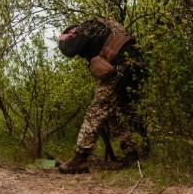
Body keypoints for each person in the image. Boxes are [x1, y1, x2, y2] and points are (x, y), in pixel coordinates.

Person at [57, 17, 146, 174]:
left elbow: (69, 50)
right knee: (115, 117)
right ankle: (133, 158)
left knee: (95, 113)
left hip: (121, 71)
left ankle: (80, 161)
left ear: (72, 32)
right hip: (135, 70)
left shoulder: (86, 27)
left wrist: (63, 39)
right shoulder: (103, 27)